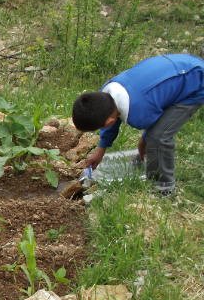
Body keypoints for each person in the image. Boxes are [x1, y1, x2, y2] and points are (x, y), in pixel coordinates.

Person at [72, 54, 204, 196]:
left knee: (159, 137)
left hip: (196, 82)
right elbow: (110, 121)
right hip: (179, 64)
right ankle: (148, 170)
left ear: (109, 121)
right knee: (152, 138)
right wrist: (100, 152)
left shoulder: (139, 113)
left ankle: (165, 188)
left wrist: (145, 139)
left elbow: (156, 124)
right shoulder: (107, 92)